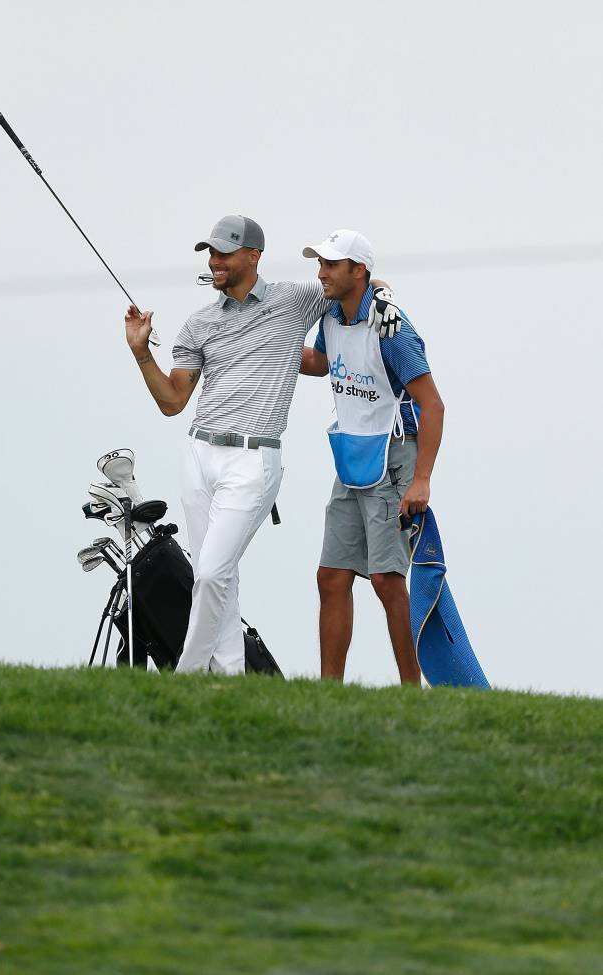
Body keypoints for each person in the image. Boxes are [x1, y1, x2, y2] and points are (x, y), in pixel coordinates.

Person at [124, 215, 397, 675]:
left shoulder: (295, 300)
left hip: (253, 461)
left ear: (253, 256)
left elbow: (356, 285)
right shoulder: (200, 323)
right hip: (199, 455)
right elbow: (172, 401)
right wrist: (141, 352)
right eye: (210, 254)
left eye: (224, 253)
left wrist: (381, 301)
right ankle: (229, 679)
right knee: (217, 578)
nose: (215, 262)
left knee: (210, 573)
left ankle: (186, 674)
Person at [300, 229, 445, 685]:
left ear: (357, 270)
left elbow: (433, 405)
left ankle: (409, 688)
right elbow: (322, 363)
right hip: (351, 459)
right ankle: (330, 692)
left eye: (331, 265)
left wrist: (422, 479)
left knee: (386, 580)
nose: (321, 273)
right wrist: (275, 351)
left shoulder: (392, 327)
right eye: (319, 264)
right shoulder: (331, 316)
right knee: (332, 576)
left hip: (395, 458)